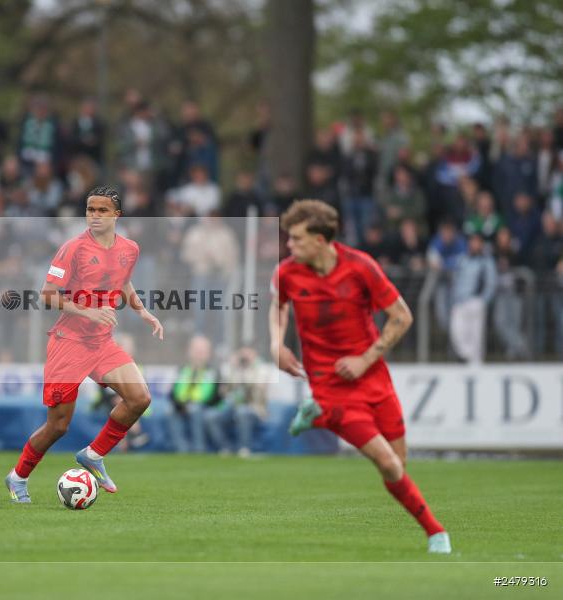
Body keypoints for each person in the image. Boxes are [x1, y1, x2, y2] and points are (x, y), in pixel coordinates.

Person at [269, 199, 451, 554]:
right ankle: (436, 532)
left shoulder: (360, 266)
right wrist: (277, 344)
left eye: (297, 239)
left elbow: (402, 316)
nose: (289, 246)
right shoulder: (287, 273)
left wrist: (365, 359)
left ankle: (316, 417)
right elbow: (278, 307)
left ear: (321, 241)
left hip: (372, 376)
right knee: (385, 462)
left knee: (398, 464)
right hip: (328, 383)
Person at [4, 186, 164, 503]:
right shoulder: (72, 249)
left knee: (139, 398)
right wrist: (89, 311)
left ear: (117, 214)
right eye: (90, 209)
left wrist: (142, 310)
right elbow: (48, 295)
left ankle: (93, 454)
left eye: (102, 210)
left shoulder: (130, 248)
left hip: (101, 344)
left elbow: (124, 281)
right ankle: (18, 476)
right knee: (58, 426)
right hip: (70, 344)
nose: (94, 216)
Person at [205, 345, 272, 457]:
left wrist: (245, 370)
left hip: (254, 409)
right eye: (242, 353)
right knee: (211, 416)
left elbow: (256, 391)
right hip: (232, 409)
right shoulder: (233, 369)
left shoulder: (262, 369)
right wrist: (232, 369)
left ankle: (244, 449)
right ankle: (225, 448)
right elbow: (223, 392)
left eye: (248, 353)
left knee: (242, 411)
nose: (244, 357)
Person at [449, 233, 497, 364]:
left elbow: (491, 282)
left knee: (476, 335)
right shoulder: (462, 259)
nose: (474, 244)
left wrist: (483, 301)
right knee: (457, 332)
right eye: (472, 242)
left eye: (477, 242)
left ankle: (476, 363)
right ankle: (466, 356)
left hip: (475, 300)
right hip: (459, 301)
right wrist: (454, 297)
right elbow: (455, 278)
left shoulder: (486, 261)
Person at [166, 335, 219, 454]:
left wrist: (192, 404)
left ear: (208, 353)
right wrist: (180, 405)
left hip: (204, 407)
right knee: (170, 410)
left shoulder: (213, 371)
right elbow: (172, 394)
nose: (199, 354)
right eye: (196, 350)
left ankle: (199, 448)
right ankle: (182, 449)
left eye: (202, 351)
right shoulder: (182, 370)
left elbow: (215, 397)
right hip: (183, 406)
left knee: (195, 409)